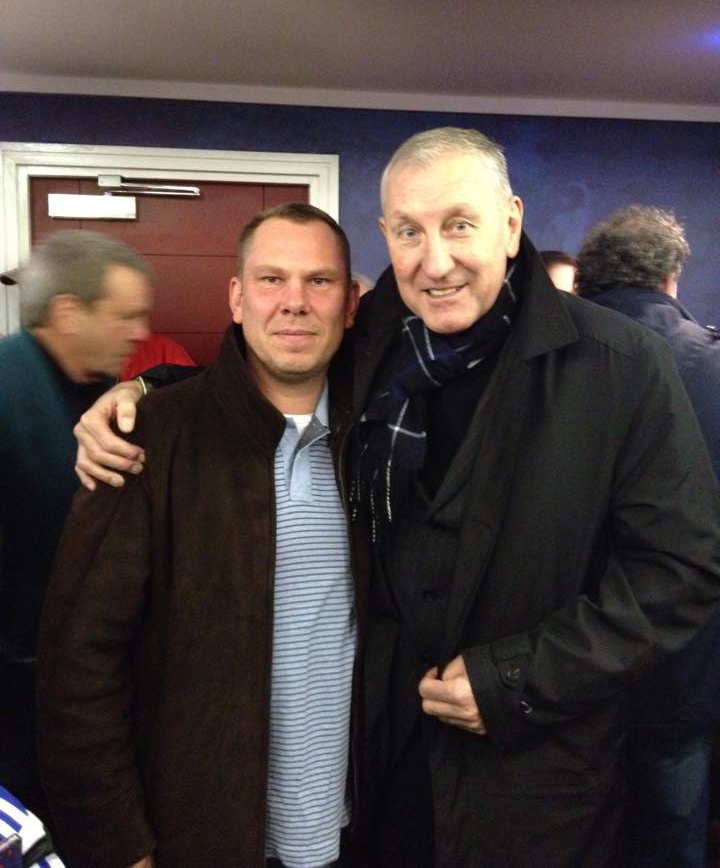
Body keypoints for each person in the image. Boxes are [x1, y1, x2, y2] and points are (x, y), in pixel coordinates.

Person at [70, 129, 720, 868]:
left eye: (459, 225)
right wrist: (145, 392)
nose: (434, 261)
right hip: (379, 780)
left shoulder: (620, 365)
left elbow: (682, 569)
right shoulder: (379, 336)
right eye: (410, 231)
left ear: (511, 223)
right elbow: (274, 365)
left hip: (537, 784)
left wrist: (519, 679)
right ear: (386, 235)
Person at [36, 204, 364, 868]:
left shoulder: (379, 444)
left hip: (349, 830)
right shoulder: (148, 439)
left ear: (351, 303)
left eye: (319, 281)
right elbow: (78, 662)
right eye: (271, 279)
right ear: (237, 299)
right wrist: (119, 844)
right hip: (196, 836)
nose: (294, 302)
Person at [577, 204, 720, 868]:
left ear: (587, 279)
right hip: (681, 655)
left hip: (562, 655)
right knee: (669, 834)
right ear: (670, 278)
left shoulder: (542, 359)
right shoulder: (709, 364)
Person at [0, 230, 152, 826]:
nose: (140, 332)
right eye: (125, 316)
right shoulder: (9, 393)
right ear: (68, 312)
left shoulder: (98, 392)